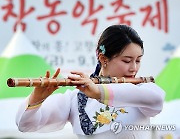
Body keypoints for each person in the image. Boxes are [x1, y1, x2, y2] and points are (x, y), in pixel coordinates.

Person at [16, 25, 165, 139]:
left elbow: (157, 99)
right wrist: (37, 98)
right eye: (127, 61)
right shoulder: (75, 99)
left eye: (138, 60)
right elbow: (25, 124)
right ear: (103, 59)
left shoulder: (141, 90)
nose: (134, 68)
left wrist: (98, 92)